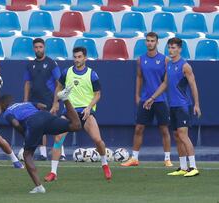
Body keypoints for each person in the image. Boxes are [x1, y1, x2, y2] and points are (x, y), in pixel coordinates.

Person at [44, 47, 112, 182]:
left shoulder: (92, 74)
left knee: (98, 140)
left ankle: (104, 164)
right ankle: (53, 172)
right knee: (58, 139)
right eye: (75, 57)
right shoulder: (66, 72)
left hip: (86, 112)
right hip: (69, 111)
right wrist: (55, 103)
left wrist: (89, 107)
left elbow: (98, 94)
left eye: (79, 57)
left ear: (85, 58)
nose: (77, 59)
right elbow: (59, 87)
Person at [1, 86, 81, 193]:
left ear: (4, 105)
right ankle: (65, 99)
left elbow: (15, 123)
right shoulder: (26, 103)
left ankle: (39, 187)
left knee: (27, 155)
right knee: (76, 125)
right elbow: (41, 106)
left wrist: (25, 134)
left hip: (33, 123)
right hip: (45, 116)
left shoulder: (7, 112)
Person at [144, 37, 201, 177]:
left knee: (183, 135)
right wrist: (152, 98)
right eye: (169, 47)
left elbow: (193, 85)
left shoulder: (185, 66)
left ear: (180, 49)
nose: (171, 50)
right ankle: (182, 167)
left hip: (182, 106)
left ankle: (193, 167)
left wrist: (197, 105)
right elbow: (165, 84)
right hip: (172, 106)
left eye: (174, 47)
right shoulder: (168, 64)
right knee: (176, 136)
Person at [121, 32, 173, 167]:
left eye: (152, 41)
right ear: (145, 42)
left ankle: (167, 158)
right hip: (144, 100)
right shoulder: (140, 60)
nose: (150, 43)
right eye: (148, 40)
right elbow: (139, 77)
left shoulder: (165, 60)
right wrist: (137, 96)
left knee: (164, 129)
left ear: (157, 42)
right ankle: (134, 158)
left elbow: (166, 82)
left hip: (160, 100)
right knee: (139, 128)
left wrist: (153, 97)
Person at [23, 38, 65, 160]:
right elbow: (27, 83)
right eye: (36, 47)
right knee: (38, 126)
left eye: (40, 47)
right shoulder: (30, 65)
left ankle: (60, 153)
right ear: (33, 49)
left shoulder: (52, 63)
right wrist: (25, 101)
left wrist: (56, 102)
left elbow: (59, 83)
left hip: (49, 100)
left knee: (55, 126)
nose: (38, 49)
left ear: (44, 47)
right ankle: (43, 154)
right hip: (34, 101)